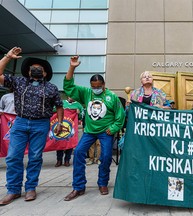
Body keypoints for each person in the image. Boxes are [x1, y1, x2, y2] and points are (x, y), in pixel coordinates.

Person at [0, 47, 64, 206]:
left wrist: (60, 123)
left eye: (39, 69)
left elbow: (59, 106)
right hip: (20, 122)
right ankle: (13, 190)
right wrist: (8, 57)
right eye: (32, 68)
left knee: (35, 157)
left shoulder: (52, 88)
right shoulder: (18, 82)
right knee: (13, 156)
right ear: (28, 72)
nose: (36, 70)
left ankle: (30, 188)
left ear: (45, 73)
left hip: (41, 124)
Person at [63, 55, 125, 201]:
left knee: (105, 157)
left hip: (106, 132)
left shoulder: (112, 97)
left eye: (98, 86)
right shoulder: (86, 93)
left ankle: (103, 183)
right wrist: (72, 67)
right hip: (89, 132)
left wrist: (114, 128)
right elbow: (69, 87)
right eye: (93, 86)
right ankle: (78, 187)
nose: (96, 88)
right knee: (78, 153)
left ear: (103, 85)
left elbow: (120, 115)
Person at [55, 97, 84, 167]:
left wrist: (78, 113)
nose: (71, 97)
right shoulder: (62, 102)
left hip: (71, 128)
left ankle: (67, 160)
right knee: (60, 142)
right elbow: (54, 110)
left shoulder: (78, 105)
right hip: (61, 126)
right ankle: (59, 160)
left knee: (70, 144)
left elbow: (81, 116)